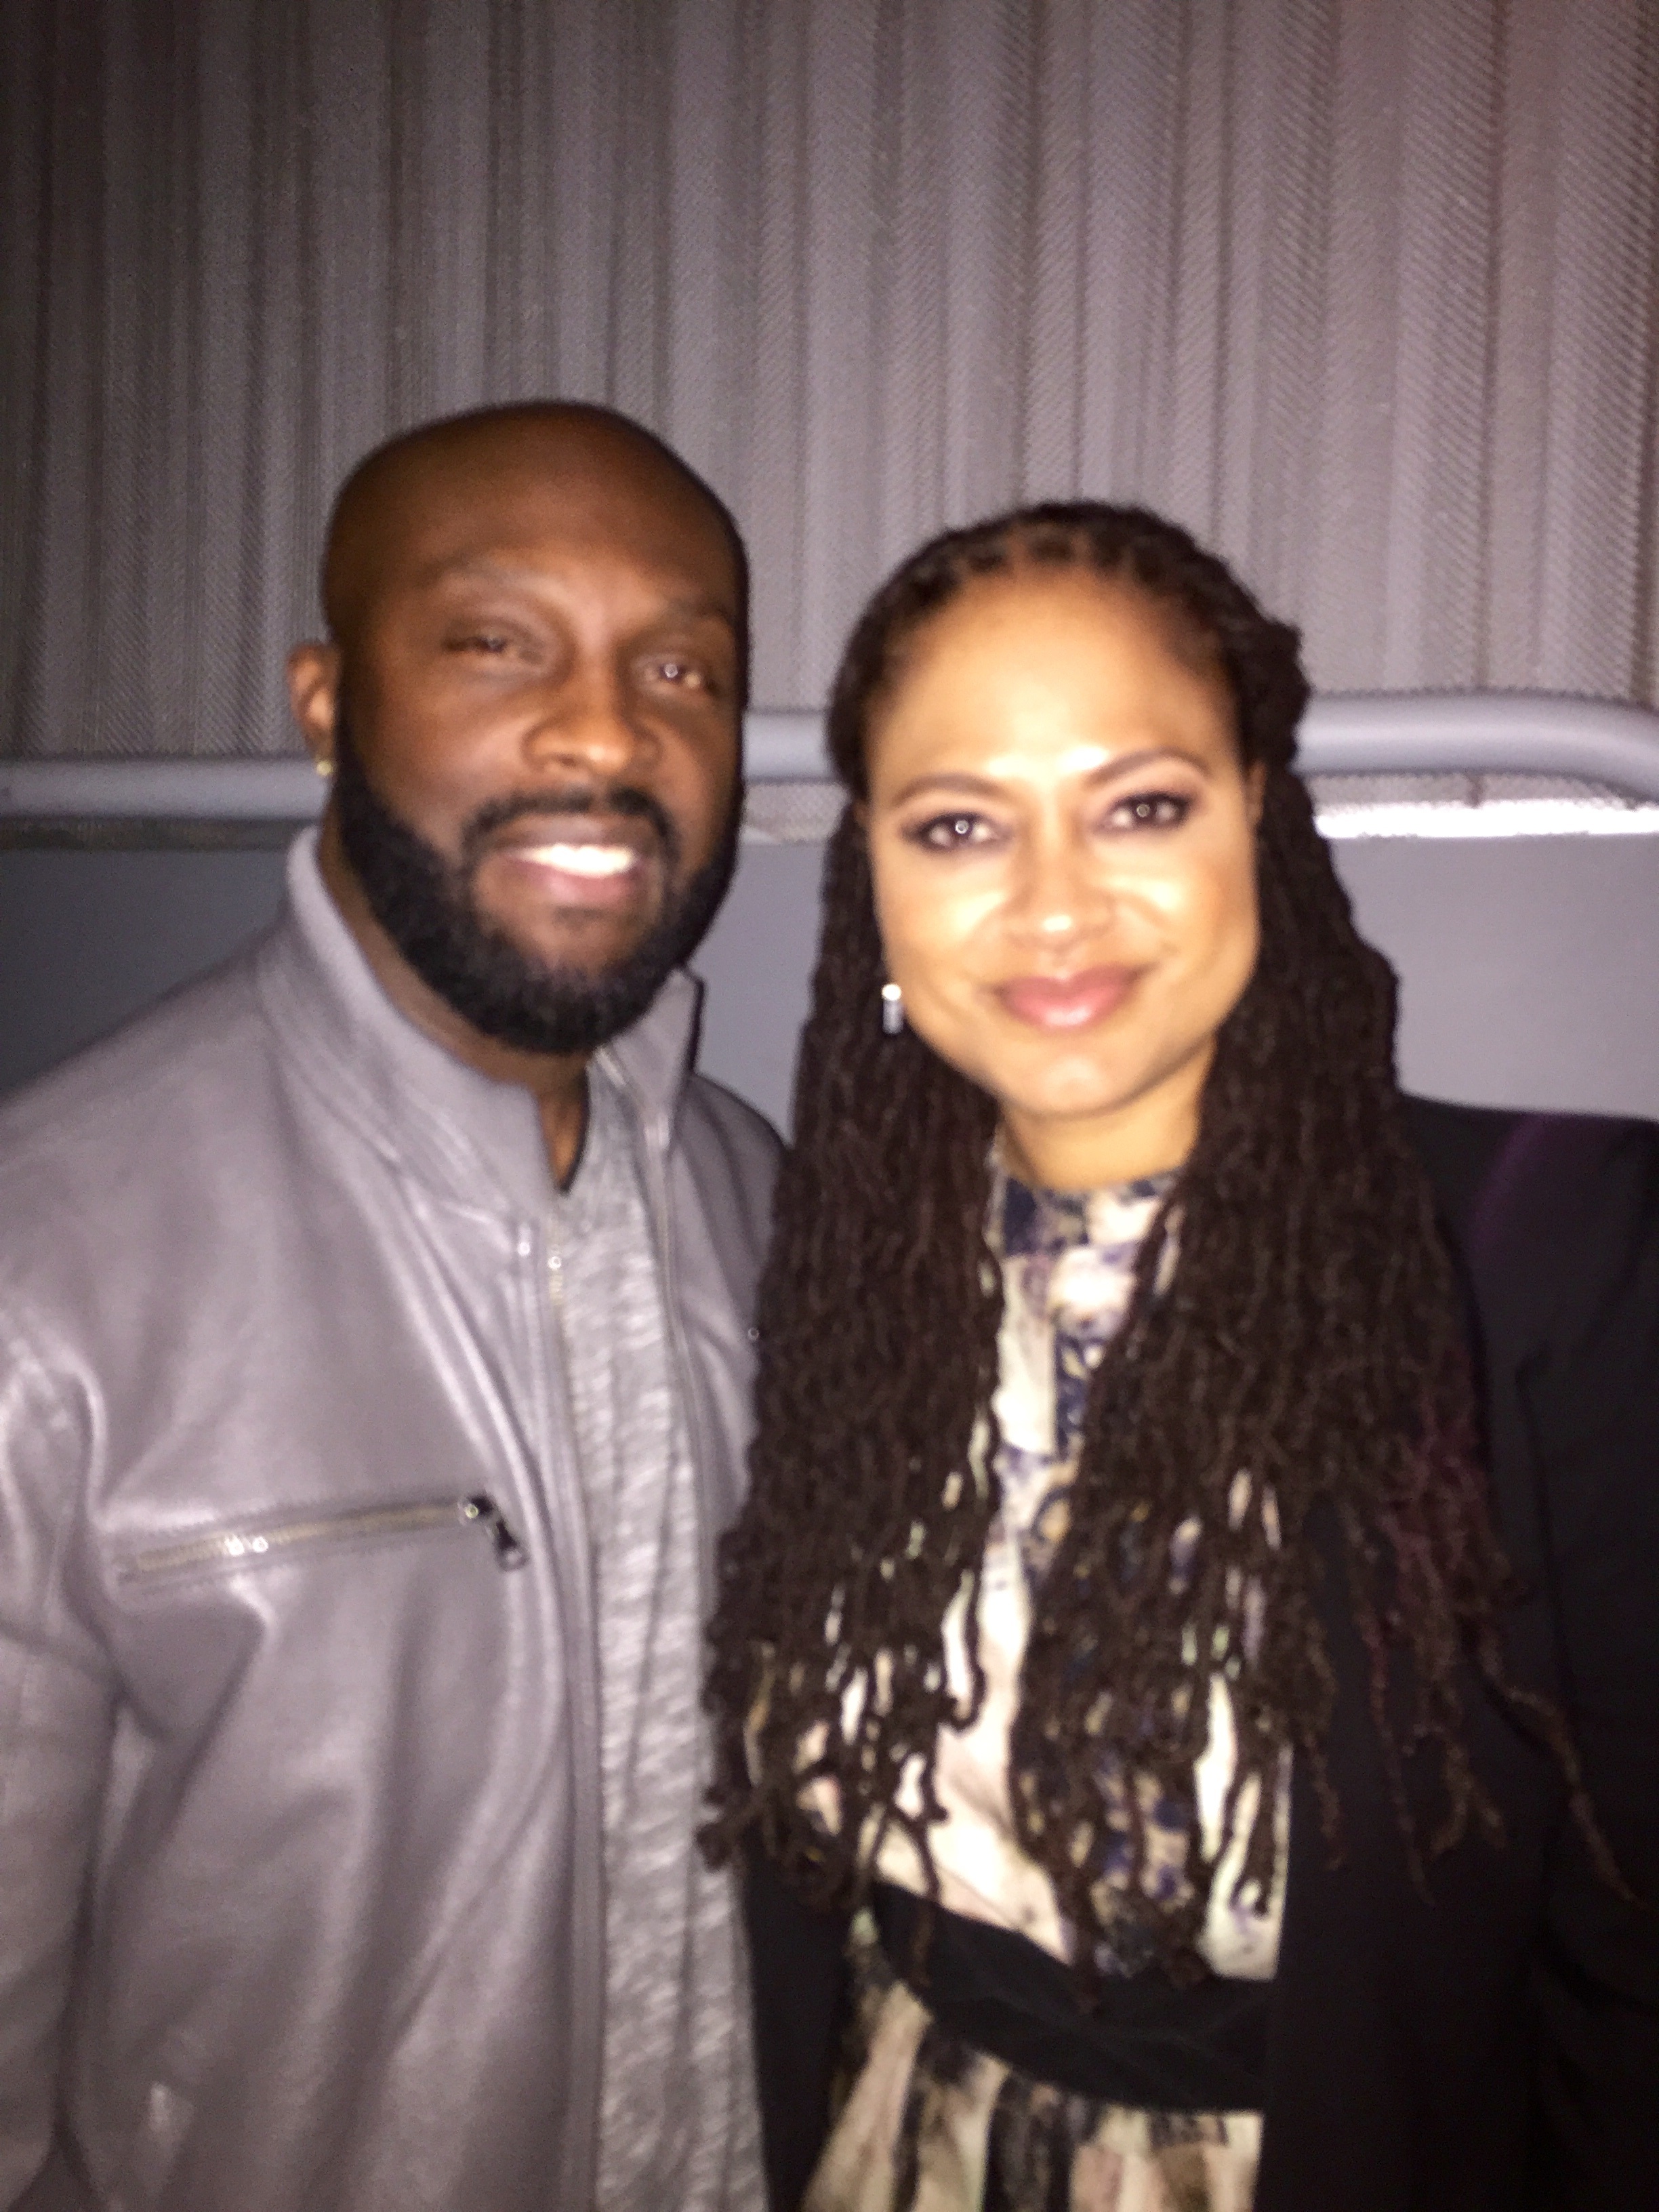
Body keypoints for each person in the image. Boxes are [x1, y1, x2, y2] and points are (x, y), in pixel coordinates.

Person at [703, 501, 1659, 2211]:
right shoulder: (842, 1280)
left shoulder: (1562, 1249)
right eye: (959, 825)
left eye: (1140, 805)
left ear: (1259, 825)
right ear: (872, 872)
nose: (1055, 907)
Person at [0, 402, 778, 2211]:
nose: (607, 730)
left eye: (684, 665)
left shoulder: (775, 1212)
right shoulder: (47, 1271)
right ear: (328, 698)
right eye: (498, 645)